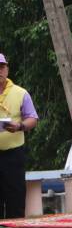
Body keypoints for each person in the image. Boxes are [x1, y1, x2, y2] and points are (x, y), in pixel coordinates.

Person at [0, 54, 38, 218]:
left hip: (13, 155)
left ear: (7, 69)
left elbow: (33, 118)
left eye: (1, 67)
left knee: (15, 201)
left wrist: (19, 126)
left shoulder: (20, 93)